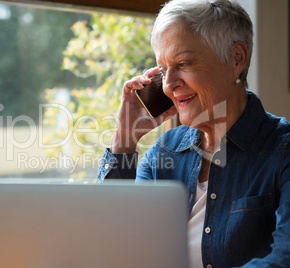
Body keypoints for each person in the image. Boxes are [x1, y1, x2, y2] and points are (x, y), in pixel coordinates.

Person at [96, 0, 290, 267]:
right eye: (163, 70)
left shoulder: (283, 151)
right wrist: (124, 140)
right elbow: (110, 241)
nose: (168, 85)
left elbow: (284, 258)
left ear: (237, 59)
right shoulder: (163, 153)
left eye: (183, 63)